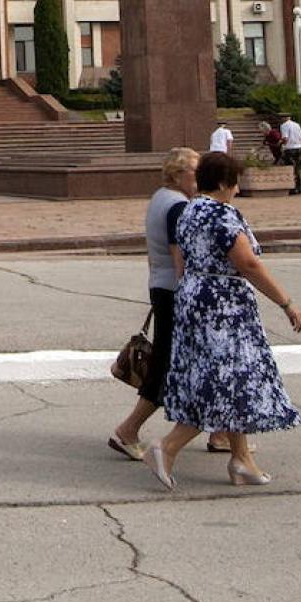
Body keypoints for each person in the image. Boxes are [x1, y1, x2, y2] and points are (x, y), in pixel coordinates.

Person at [145, 152, 301, 490]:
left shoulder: (189, 209)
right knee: (227, 380)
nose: (236, 189)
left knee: (225, 379)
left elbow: (181, 261)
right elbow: (248, 264)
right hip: (224, 307)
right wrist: (287, 303)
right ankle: (167, 447)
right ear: (223, 183)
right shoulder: (222, 215)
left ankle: (242, 460)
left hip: (194, 297)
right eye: (234, 182)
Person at [108, 147, 198, 462]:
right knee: (167, 363)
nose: (199, 178)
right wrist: (190, 292)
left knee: (179, 361)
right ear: (177, 174)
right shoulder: (177, 207)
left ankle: (224, 433)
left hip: (162, 286)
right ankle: (128, 430)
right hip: (175, 290)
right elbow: (181, 258)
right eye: (194, 172)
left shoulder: (161, 197)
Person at [278, 114, 301, 194]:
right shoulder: (297, 125)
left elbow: (285, 138)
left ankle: (292, 187)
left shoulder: (284, 126)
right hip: (299, 148)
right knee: (298, 169)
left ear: (283, 118)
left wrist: (281, 144)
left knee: (290, 168)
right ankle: (299, 187)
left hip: (289, 149)